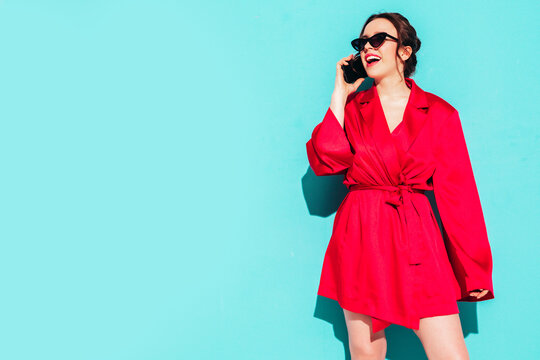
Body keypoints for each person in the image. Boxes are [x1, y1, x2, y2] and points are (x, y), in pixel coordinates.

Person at [306, 12, 494, 359]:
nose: (367, 48)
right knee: (366, 352)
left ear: (404, 52)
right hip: (363, 233)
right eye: (361, 43)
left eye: (378, 40)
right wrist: (340, 91)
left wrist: (474, 271)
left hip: (417, 238)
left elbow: (459, 196)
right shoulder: (353, 108)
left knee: (451, 353)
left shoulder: (439, 113)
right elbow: (326, 159)